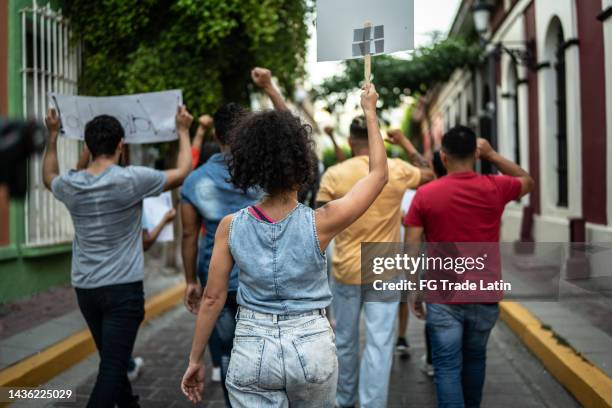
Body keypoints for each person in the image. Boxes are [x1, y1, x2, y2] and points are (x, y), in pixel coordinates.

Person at [180, 83, 388, 407]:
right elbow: (378, 176)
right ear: (303, 165)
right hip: (312, 348)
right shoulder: (322, 222)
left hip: (250, 346)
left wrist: (195, 360)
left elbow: (212, 298)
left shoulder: (229, 227)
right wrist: (370, 112)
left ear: (250, 167)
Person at [43, 106, 193, 408]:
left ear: (87, 147)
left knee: (113, 359)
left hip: (86, 289)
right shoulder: (131, 179)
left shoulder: (71, 184)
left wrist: (52, 135)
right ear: (121, 145)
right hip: (123, 290)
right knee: (112, 367)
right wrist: (183, 131)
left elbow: (49, 174)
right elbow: (181, 172)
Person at [404, 126, 534, 408]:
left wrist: (414, 289)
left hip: (443, 296)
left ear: (443, 156)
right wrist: (493, 155)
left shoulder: (425, 195)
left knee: (447, 366)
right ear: (476, 155)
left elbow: (412, 247)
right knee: (475, 359)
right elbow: (527, 180)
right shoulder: (495, 187)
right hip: (483, 294)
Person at [181, 67, 287, 406]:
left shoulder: (195, 181)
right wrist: (270, 89)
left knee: (228, 352)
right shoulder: (265, 169)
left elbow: (187, 234)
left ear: (217, 134)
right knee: (268, 348)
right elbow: (290, 138)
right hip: (265, 277)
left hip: (219, 280)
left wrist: (189, 281)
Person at [316, 121, 434, 408]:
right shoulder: (396, 168)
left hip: (346, 268)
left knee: (344, 341)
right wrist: (405, 143)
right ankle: (373, 404)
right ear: (377, 137)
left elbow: (319, 220)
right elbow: (431, 173)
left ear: (349, 140)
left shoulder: (335, 173)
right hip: (385, 267)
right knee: (380, 343)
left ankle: (344, 400)